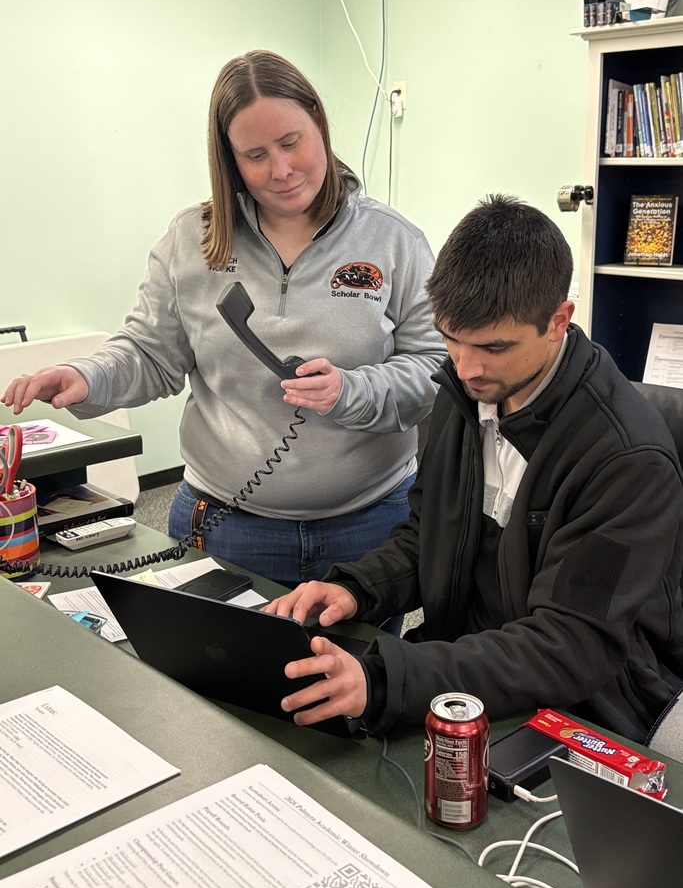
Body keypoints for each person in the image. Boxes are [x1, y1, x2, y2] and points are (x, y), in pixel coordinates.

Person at [1, 50, 445, 587]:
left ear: (320, 128)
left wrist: (354, 390)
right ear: (228, 159)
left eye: (291, 143)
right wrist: (88, 376)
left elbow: (435, 366)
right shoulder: (192, 241)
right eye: (255, 154)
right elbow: (149, 352)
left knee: (359, 668)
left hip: (369, 525)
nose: (280, 170)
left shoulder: (394, 241)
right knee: (216, 669)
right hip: (226, 523)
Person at [265, 194, 683, 744]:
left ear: (558, 321)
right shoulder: (466, 392)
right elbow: (428, 534)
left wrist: (396, 678)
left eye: (493, 346)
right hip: (463, 675)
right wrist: (359, 588)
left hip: (581, 710)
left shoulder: (627, 460)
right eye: (450, 339)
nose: (466, 367)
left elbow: (570, 646)